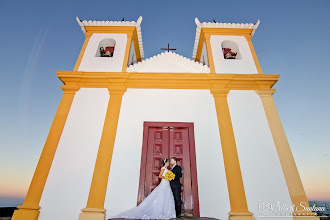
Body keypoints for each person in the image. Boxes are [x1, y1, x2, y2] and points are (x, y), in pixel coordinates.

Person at [110, 158, 176, 220]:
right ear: (165, 163)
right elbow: (160, 176)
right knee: (161, 196)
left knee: (166, 197)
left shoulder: (167, 169)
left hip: (167, 184)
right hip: (163, 183)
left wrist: (170, 177)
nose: (168, 163)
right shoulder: (163, 168)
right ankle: (159, 211)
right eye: (167, 162)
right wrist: (166, 177)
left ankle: (166, 212)